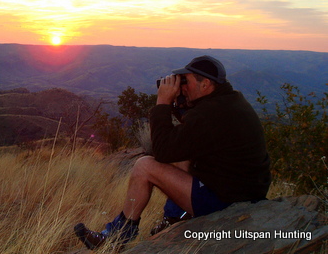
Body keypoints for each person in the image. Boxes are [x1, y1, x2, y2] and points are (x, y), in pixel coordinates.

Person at [74, 55, 271, 250]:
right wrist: (181, 105)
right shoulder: (229, 101)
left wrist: (162, 103)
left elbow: (162, 151)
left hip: (228, 201)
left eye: (187, 81)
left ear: (206, 85)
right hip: (241, 190)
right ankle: (173, 219)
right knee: (181, 157)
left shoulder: (210, 114)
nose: (182, 86)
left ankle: (118, 236)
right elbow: (184, 139)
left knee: (145, 166)